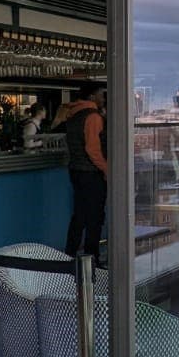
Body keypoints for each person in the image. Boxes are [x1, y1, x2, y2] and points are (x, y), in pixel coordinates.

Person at [63, 82, 108, 258]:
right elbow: (93, 149)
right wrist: (106, 169)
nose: (103, 98)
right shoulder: (93, 117)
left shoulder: (73, 114)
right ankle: (92, 259)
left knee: (79, 216)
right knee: (94, 218)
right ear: (91, 96)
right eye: (101, 95)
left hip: (76, 170)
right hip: (91, 173)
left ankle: (69, 256)